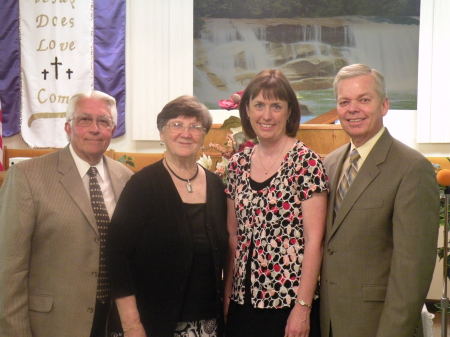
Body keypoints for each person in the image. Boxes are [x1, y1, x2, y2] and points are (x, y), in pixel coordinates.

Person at [0, 90, 133, 337]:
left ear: (112, 130)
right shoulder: (27, 177)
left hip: (112, 321)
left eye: (103, 121)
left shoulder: (125, 177)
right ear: (68, 127)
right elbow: (9, 268)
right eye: (84, 120)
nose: (95, 128)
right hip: (53, 323)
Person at [320, 64, 440, 337]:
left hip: (378, 325)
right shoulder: (330, 163)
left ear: (384, 105)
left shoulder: (412, 168)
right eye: (344, 101)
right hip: (330, 321)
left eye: (364, 100)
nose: (353, 109)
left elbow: (412, 269)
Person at [107, 95, 228, 337]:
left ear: (204, 136)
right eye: (176, 125)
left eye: (195, 127)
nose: (186, 133)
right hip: (150, 323)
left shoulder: (216, 185)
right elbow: (116, 256)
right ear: (162, 133)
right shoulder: (142, 185)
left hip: (206, 324)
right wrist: (131, 325)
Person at [224, 69, 328, 337]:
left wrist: (302, 308)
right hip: (242, 303)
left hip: (287, 305)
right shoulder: (237, 164)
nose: (266, 115)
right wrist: (226, 298)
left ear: (289, 112)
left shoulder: (306, 162)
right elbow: (233, 237)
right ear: (246, 110)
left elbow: (314, 240)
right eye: (259, 105)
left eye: (276, 106)